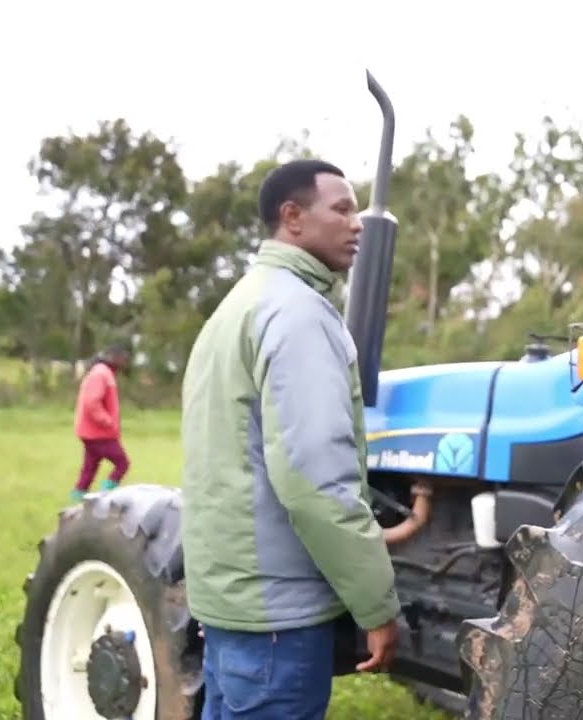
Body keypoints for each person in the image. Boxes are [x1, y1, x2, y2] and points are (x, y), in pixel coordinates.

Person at [180, 159, 400, 719]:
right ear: (292, 218)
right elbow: (316, 481)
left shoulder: (236, 307)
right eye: (343, 209)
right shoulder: (299, 315)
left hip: (231, 609)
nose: (358, 225)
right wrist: (377, 605)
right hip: (278, 618)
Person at [71, 345, 130, 501]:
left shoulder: (102, 372)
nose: (125, 362)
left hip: (91, 432)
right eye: (122, 358)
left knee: (89, 470)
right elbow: (92, 402)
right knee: (122, 463)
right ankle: (104, 498)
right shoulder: (101, 374)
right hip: (99, 433)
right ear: (113, 358)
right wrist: (107, 421)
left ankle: (76, 501)